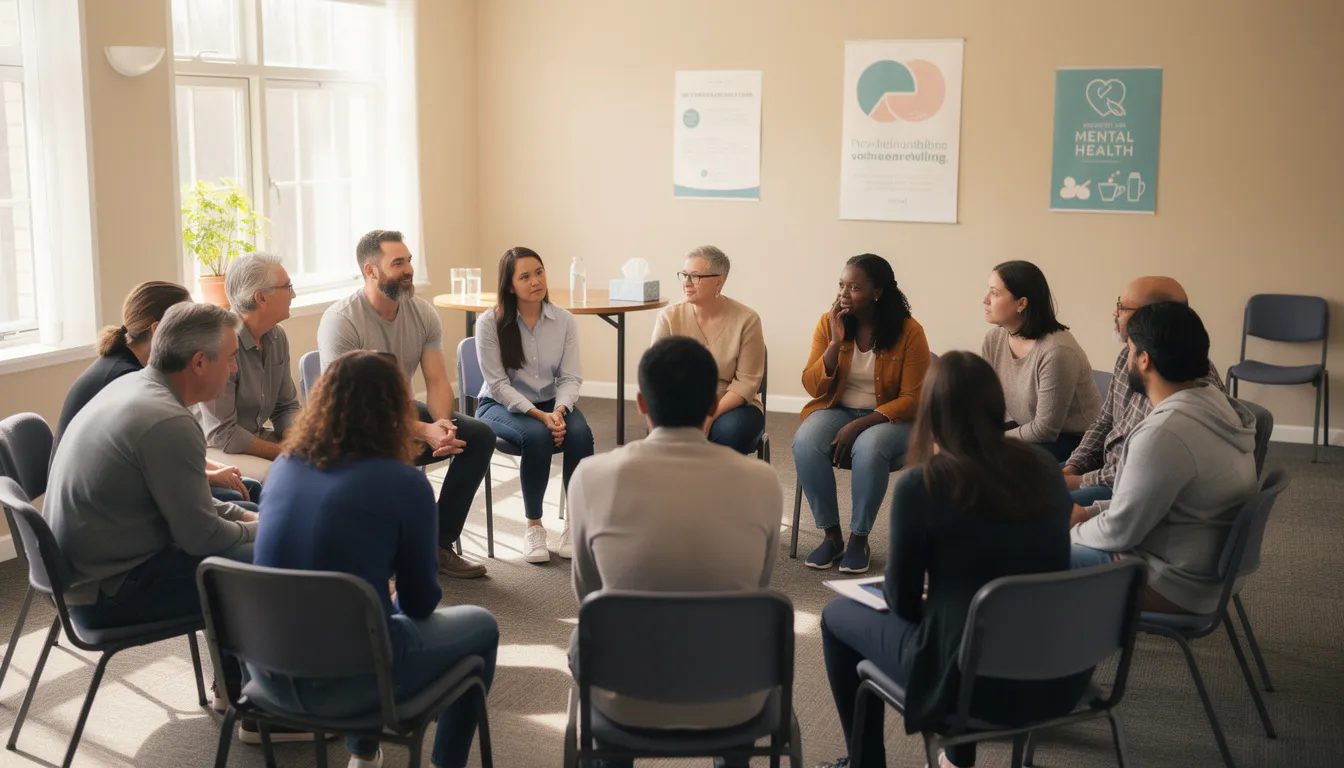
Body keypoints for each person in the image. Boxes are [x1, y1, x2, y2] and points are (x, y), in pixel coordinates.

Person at [816, 352, 1092, 768]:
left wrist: (933, 595)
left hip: (968, 684)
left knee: (837, 617)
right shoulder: (1043, 468)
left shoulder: (923, 483)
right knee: (968, 613)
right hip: (1056, 674)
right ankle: (957, 759)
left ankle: (864, 763)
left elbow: (905, 603)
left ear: (930, 412)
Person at [253, 350, 499, 768]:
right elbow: (421, 602)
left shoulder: (285, 468)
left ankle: (365, 757)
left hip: (267, 670)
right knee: (481, 627)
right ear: (396, 410)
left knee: (361, 616)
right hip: (354, 678)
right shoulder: (402, 483)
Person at [568, 337, 782, 768]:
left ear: (641, 403)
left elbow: (588, 595)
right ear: (714, 404)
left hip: (623, 696)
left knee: (587, 635)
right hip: (736, 695)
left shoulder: (591, 477)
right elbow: (757, 586)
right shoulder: (763, 481)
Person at [44, 303, 258, 717]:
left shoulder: (136, 387)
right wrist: (264, 531)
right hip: (107, 593)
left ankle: (240, 688)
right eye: (231, 358)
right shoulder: (167, 421)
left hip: (85, 571)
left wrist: (249, 519)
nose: (234, 369)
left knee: (247, 518)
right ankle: (250, 704)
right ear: (199, 362)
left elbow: (186, 500)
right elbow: (202, 537)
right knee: (261, 566)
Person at [318, 229, 494, 578]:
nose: (408, 269)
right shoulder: (342, 321)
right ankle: (388, 554)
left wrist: (442, 425)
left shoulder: (422, 313)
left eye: (409, 260)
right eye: (397, 263)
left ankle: (438, 545)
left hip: (402, 413)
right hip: (355, 426)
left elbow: (437, 380)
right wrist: (424, 430)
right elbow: (355, 407)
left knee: (478, 435)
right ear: (371, 271)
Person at [1070, 302, 1257, 615]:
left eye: (1129, 350)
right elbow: (1147, 502)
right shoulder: (1216, 405)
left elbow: (1120, 532)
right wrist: (1090, 513)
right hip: (1204, 570)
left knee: (1031, 554)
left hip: (1171, 583)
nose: (1125, 358)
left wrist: (1071, 532)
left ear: (1144, 360)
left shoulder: (1164, 434)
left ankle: (1049, 653)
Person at [54, 280, 261, 508]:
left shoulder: (135, 370)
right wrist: (212, 476)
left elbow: (164, 454)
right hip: (106, 500)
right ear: (159, 329)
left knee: (248, 490)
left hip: (118, 488)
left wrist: (213, 469)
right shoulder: (127, 381)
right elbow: (153, 466)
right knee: (246, 498)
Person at [793, 254, 930, 575]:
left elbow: (915, 398)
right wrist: (834, 344)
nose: (843, 293)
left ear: (877, 292)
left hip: (892, 419)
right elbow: (812, 387)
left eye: (854, 287)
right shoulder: (828, 325)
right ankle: (831, 536)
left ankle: (859, 538)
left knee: (869, 449)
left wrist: (861, 424)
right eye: (841, 285)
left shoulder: (909, 332)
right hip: (837, 409)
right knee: (806, 442)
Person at [474, 247, 594, 563]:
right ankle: (534, 526)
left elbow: (570, 377)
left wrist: (559, 411)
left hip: (552, 402)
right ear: (510, 285)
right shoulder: (490, 323)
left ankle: (574, 524)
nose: (535, 281)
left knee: (581, 435)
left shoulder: (563, 320)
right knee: (538, 436)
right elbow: (498, 385)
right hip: (499, 405)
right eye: (524, 276)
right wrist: (539, 415)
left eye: (539, 272)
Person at [1063, 277, 1225, 506]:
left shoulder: (1181, 384)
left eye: (1122, 307)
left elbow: (1147, 468)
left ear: (1154, 318)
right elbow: (1104, 422)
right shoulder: (1127, 355)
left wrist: (1077, 482)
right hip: (1106, 471)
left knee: (1035, 511)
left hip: (1131, 486)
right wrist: (1072, 468)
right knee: (1022, 487)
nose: (1114, 313)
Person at [194, 252, 301, 483]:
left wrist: (296, 441)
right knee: (282, 476)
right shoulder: (219, 343)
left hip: (254, 438)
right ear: (261, 298)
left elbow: (286, 406)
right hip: (215, 448)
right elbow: (222, 432)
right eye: (288, 287)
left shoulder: (277, 336)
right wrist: (283, 452)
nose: (294, 294)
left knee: (331, 458)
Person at [981, 260, 1101, 462]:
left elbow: (1045, 430)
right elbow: (986, 401)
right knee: (961, 452)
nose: (985, 300)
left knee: (990, 462)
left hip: (1074, 441)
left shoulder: (1056, 351)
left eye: (994, 293)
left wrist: (992, 438)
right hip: (1027, 428)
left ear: (1021, 303)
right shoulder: (994, 340)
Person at [651, 245, 766, 454]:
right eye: (684, 275)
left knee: (731, 431)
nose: (686, 282)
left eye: (695, 276)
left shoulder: (747, 320)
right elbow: (656, 375)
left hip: (732, 405)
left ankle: (719, 485)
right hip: (682, 401)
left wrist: (710, 414)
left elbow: (746, 382)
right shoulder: (669, 318)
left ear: (719, 281)